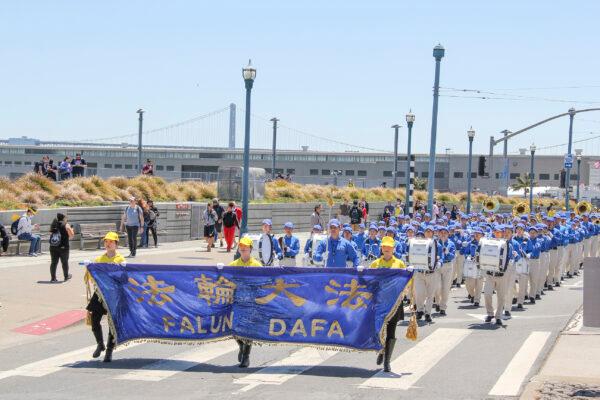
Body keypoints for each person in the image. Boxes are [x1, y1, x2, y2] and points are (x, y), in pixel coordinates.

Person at [369, 236, 408, 372]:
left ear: (393, 249)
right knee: (378, 330)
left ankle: (387, 361)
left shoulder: (399, 264)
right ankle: (381, 351)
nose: (386, 249)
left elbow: (405, 282)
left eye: (389, 247)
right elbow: (369, 281)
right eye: (384, 247)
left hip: (394, 303)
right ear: (381, 248)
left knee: (391, 331)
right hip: (379, 302)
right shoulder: (375, 264)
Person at [86, 231, 126, 363]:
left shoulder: (120, 260)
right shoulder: (99, 259)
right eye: (106, 241)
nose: (108, 244)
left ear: (116, 244)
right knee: (94, 319)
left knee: (112, 324)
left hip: (114, 295)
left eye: (111, 242)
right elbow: (93, 278)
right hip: (101, 294)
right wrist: (89, 267)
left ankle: (109, 351)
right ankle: (100, 344)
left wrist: (122, 270)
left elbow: (123, 279)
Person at [228, 236, 262, 368]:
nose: (243, 250)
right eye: (241, 248)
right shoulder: (233, 265)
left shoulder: (257, 265)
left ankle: (246, 357)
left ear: (250, 249)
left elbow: (263, 283)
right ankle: (241, 347)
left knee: (248, 330)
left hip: (251, 302)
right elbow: (226, 280)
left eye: (245, 248)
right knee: (235, 329)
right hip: (237, 301)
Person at [48, 213, 74, 282]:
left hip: (53, 246)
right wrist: (72, 229)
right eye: (66, 218)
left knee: (53, 262)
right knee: (64, 262)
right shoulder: (66, 225)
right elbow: (71, 235)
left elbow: (50, 234)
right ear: (63, 218)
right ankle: (66, 277)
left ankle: (53, 278)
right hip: (63, 247)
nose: (66, 219)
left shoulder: (54, 225)